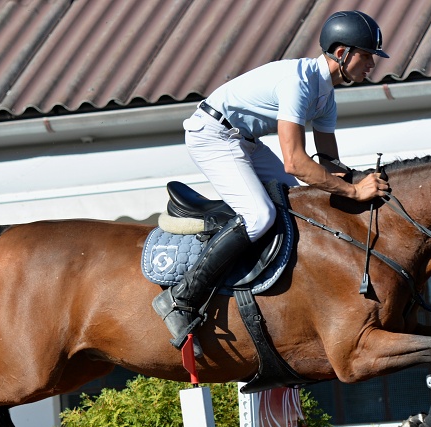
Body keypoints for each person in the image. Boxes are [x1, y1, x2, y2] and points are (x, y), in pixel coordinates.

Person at [153, 10, 392, 352]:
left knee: (299, 204)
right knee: (259, 216)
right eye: (367, 56)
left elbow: (330, 164)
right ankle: (182, 297)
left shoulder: (326, 96)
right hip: (212, 135)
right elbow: (296, 162)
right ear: (342, 53)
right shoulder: (299, 84)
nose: (372, 64)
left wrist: (363, 184)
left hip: (244, 141)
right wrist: (354, 191)